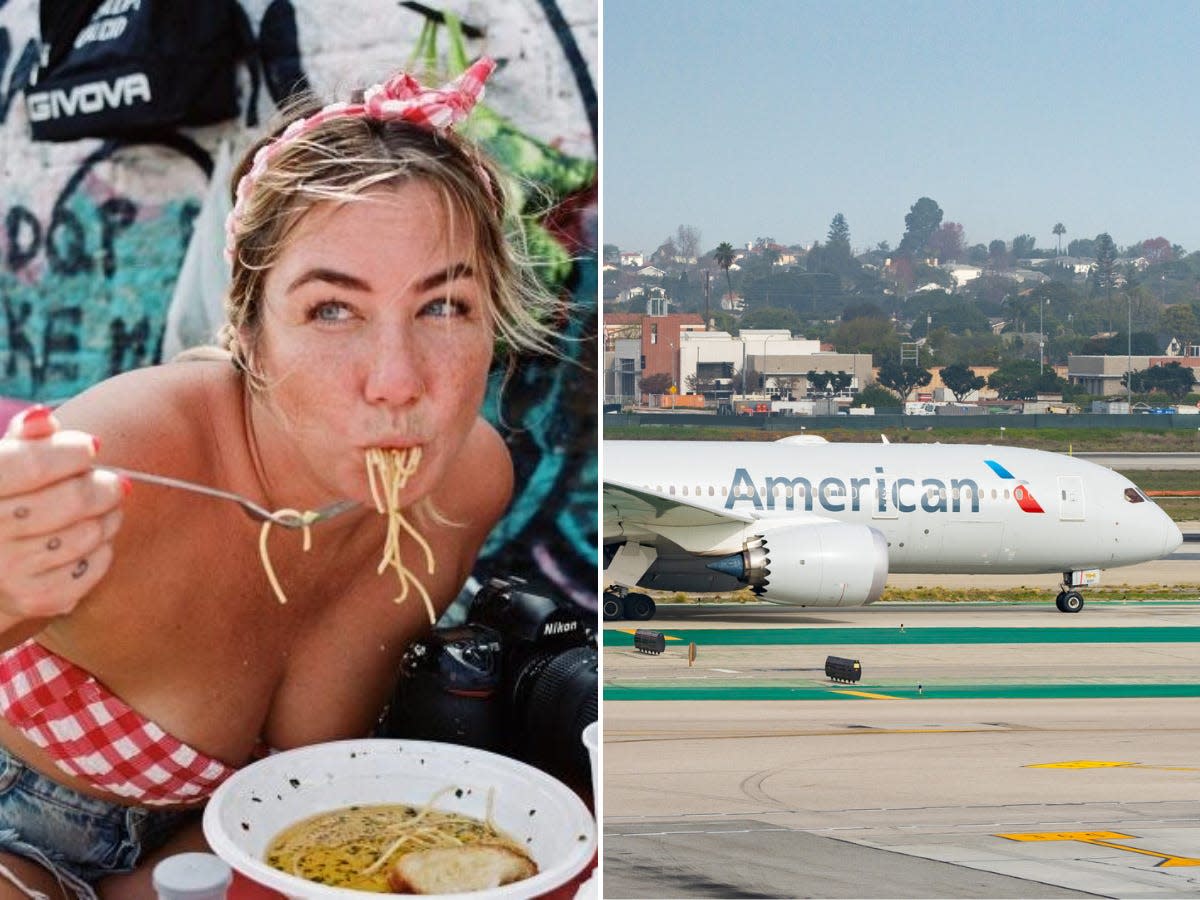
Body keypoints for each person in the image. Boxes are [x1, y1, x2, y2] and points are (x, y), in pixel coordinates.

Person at [0, 57, 560, 900]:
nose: (397, 380)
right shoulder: (127, 457)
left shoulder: (468, 482)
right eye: (332, 309)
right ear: (250, 335)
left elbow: (290, 789)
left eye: (444, 306)